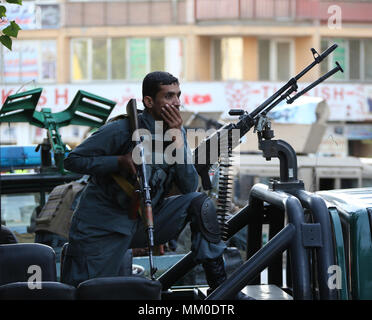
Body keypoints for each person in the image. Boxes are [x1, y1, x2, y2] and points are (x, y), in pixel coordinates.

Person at [61, 71, 251, 299]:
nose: (177, 102)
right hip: (103, 226)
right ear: (149, 102)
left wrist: (178, 141)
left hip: (147, 220)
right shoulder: (121, 130)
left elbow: (190, 187)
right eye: (169, 96)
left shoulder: (175, 131)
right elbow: (72, 160)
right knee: (87, 292)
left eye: (178, 95)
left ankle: (223, 291)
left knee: (200, 204)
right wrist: (119, 161)